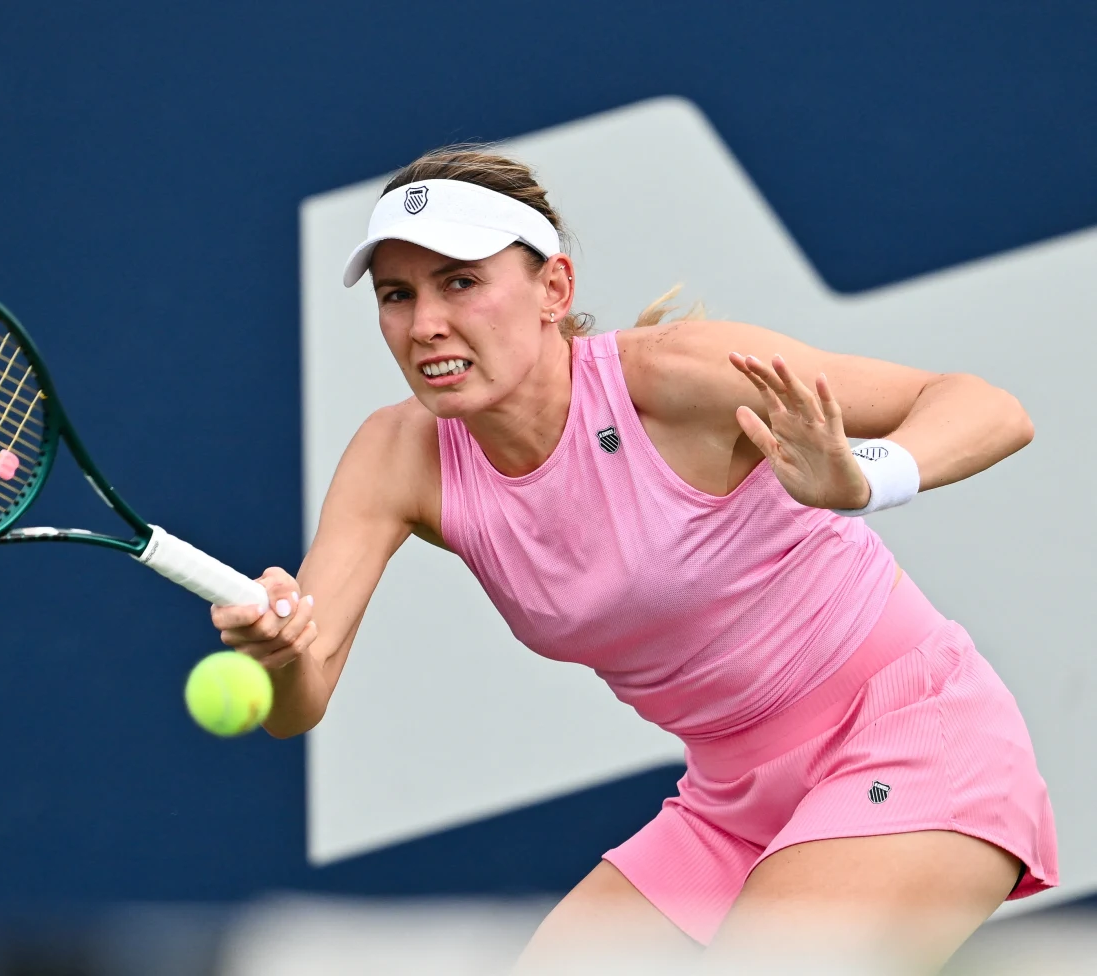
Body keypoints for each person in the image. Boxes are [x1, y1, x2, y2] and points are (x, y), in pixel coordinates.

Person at [210, 146, 1058, 973]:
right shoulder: (396, 455)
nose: (425, 323)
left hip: (913, 735)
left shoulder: (676, 377)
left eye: (460, 282)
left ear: (554, 288)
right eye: (397, 295)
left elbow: (986, 406)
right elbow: (298, 701)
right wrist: (278, 652)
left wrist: (867, 477)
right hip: (730, 802)